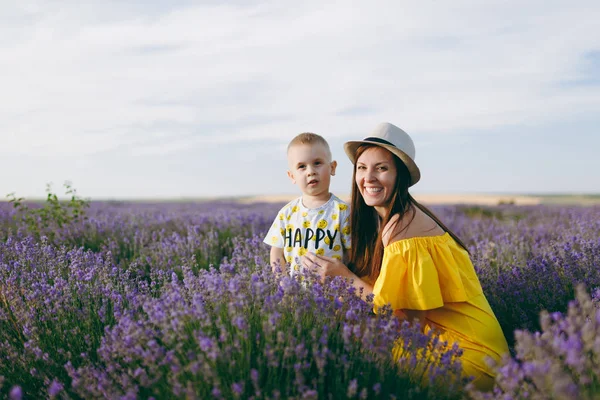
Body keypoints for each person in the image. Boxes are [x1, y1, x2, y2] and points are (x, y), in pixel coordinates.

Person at [300, 122, 509, 391]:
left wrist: (344, 278)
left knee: (349, 354)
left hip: (469, 359)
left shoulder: (405, 232)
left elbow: (406, 324)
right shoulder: (395, 219)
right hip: (471, 350)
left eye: (382, 168)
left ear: (401, 176)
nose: (369, 178)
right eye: (362, 168)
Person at [264, 132, 352, 278]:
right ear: (292, 176)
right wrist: (282, 283)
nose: (311, 172)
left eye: (317, 163)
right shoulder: (286, 213)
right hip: (296, 295)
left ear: (332, 168)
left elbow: (352, 254)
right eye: (302, 166)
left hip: (333, 295)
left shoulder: (342, 211)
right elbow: (276, 252)